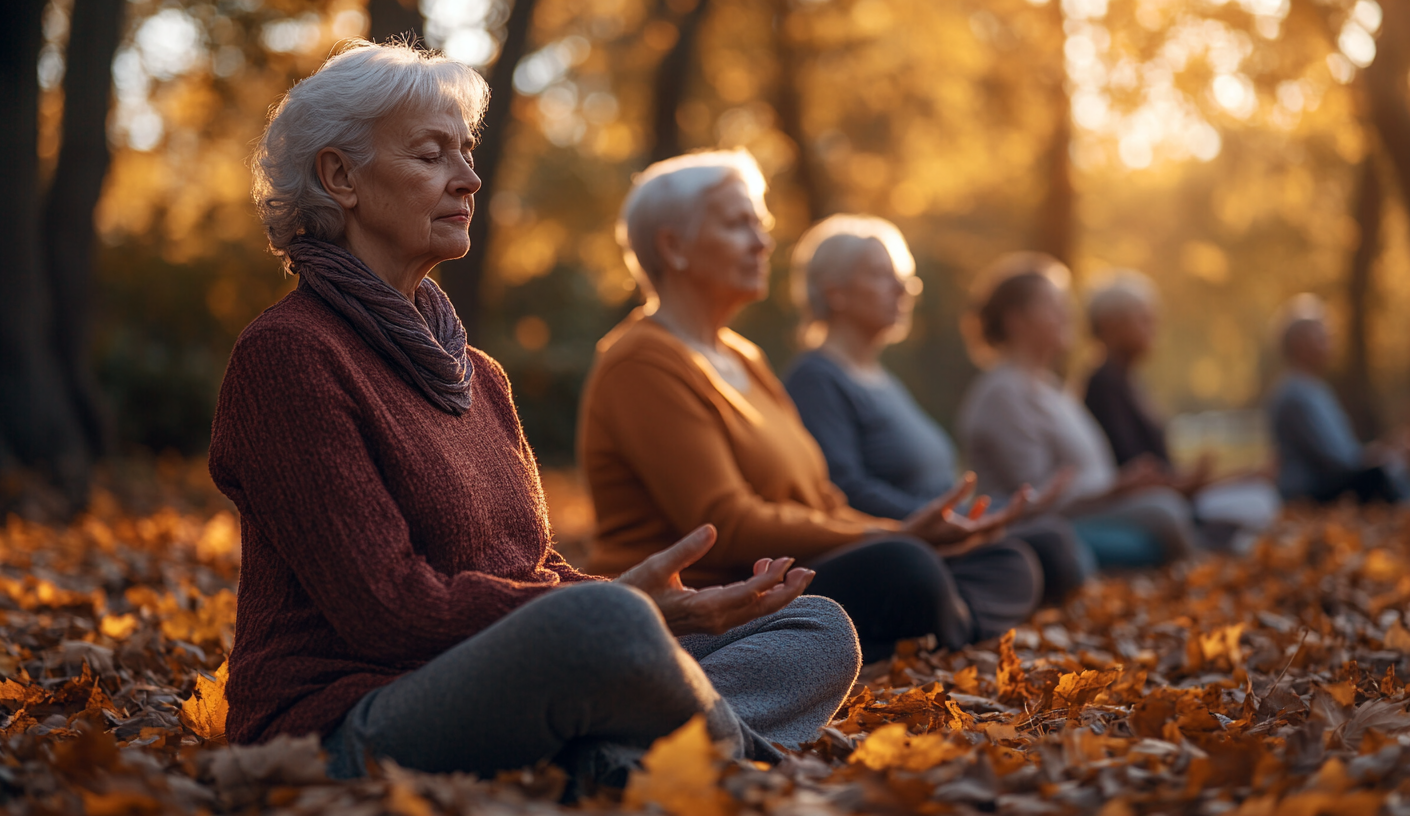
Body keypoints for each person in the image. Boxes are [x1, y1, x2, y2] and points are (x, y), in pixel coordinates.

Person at [208, 41, 862, 785]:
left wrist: (673, 608)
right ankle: (738, 766)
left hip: (523, 672)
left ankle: (617, 759)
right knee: (603, 625)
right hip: (346, 718)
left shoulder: (478, 374)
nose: (469, 179)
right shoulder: (289, 355)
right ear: (339, 177)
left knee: (815, 629)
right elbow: (386, 611)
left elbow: (535, 570)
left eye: (467, 152)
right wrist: (618, 611)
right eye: (432, 156)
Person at [579, 150, 1051, 665]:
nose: (763, 242)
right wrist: (891, 533)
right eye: (739, 225)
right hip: (716, 596)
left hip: (792, 572)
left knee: (1013, 557)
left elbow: (822, 500)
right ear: (673, 246)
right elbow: (724, 526)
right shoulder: (641, 362)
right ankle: (926, 629)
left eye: (761, 225)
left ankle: (930, 628)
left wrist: (909, 531)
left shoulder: (744, 355)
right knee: (905, 566)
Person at [781, 214, 1089, 603]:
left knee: (1048, 540)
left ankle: (966, 612)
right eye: (881, 275)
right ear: (835, 291)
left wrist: (998, 511)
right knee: (1024, 555)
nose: (902, 289)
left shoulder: (884, 379)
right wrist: (933, 522)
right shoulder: (816, 378)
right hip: (898, 542)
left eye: (904, 277)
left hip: (938, 535)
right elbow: (843, 490)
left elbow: (938, 483)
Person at [956, 253, 1197, 568]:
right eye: (1052, 304)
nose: (1066, 313)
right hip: (1043, 528)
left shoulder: (1051, 387)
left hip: (1090, 513)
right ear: (1017, 320)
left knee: (1168, 508)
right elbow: (1033, 496)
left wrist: (1123, 485)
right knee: (1164, 511)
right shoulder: (1003, 393)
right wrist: (1117, 487)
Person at [1082, 273, 1279, 550]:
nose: (1154, 327)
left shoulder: (1130, 383)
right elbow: (1136, 471)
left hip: (1172, 495)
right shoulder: (1103, 384)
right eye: (1144, 319)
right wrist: (1191, 483)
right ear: (1111, 324)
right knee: (1256, 503)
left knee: (1258, 495)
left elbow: (1167, 472)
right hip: (1146, 501)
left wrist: (1241, 475)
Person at [1266, 295, 1406, 503]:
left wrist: (1388, 448)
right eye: (1321, 337)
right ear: (1299, 344)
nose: (1330, 343)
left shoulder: (1314, 388)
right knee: (1385, 473)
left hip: (1327, 483)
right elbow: (1339, 459)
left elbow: (1345, 453)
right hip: (1312, 493)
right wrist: (1386, 452)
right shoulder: (1295, 393)